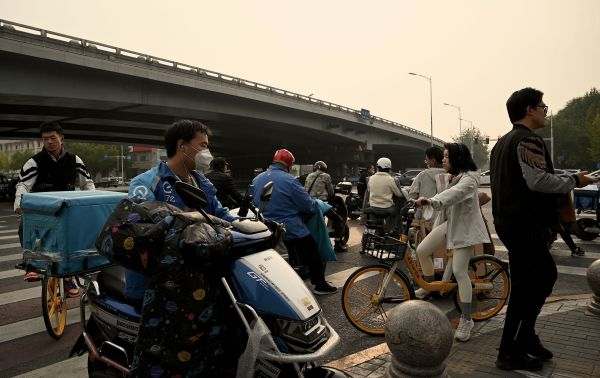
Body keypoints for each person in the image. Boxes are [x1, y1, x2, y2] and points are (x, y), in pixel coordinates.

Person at [490, 87, 596, 371]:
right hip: (525, 226)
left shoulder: (502, 143)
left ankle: (525, 337)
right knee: (528, 287)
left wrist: (571, 177)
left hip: (511, 224)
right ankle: (511, 350)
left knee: (540, 279)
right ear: (529, 110)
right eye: (543, 107)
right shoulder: (528, 140)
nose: (545, 111)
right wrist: (574, 180)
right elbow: (538, 181)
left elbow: (533, 176)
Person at [126, 119, 241, 376]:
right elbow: (141, 228)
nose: (206, 153)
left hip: (201, 279)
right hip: (160, 285)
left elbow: (221, 215)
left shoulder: (201, 182)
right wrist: (185, 223)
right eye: (203, 146)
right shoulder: (148, 183)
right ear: (182, 146)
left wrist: (250, 225)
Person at [414, 143, 489, 342]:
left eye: (447, 156)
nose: (443, 159)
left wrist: (431, 201)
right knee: (422, 250)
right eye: (443, 156)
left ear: (457, 158)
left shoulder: (470, 179)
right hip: (449, 225)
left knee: (459, 272)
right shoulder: (453, 176)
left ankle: (466, 319)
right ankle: (429, 286)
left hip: (464, 230)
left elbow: (453, 195)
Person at [14, 121, 95, 296]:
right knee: (24, 228)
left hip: (65, 210)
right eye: (45, 139)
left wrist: (91, 205)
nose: (49, 142)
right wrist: (19, 204)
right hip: (41, 211)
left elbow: (88, 184)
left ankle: (69, 277)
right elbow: (23, 185)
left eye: (52, 138)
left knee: (74, 236)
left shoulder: (75, 160)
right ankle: (33, 265)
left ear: (61, 138)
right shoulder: (34, 162)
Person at [252, 149, 337, 295]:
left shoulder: (257, 179)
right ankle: (319, 285)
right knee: (312, 250)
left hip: (265, 226)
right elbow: (308, 206)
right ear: (289, 165)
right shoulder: (290, 180)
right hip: (289, 227)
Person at [364, 157, 403, 235]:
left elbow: (369, 190)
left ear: (378, 167)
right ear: (389, 168)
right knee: (397, 212)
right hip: (387, 208)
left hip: (373, 206)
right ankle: (391, 229)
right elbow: (399, 194)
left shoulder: (371, 178)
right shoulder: (390, 179)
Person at [409, 146, 445, 222]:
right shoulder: (449, 175)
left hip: (425, 219)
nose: (426, 163)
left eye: (426, 160)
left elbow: (412, 196)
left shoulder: (422, 175)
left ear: (433, 161)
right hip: (444, 219)